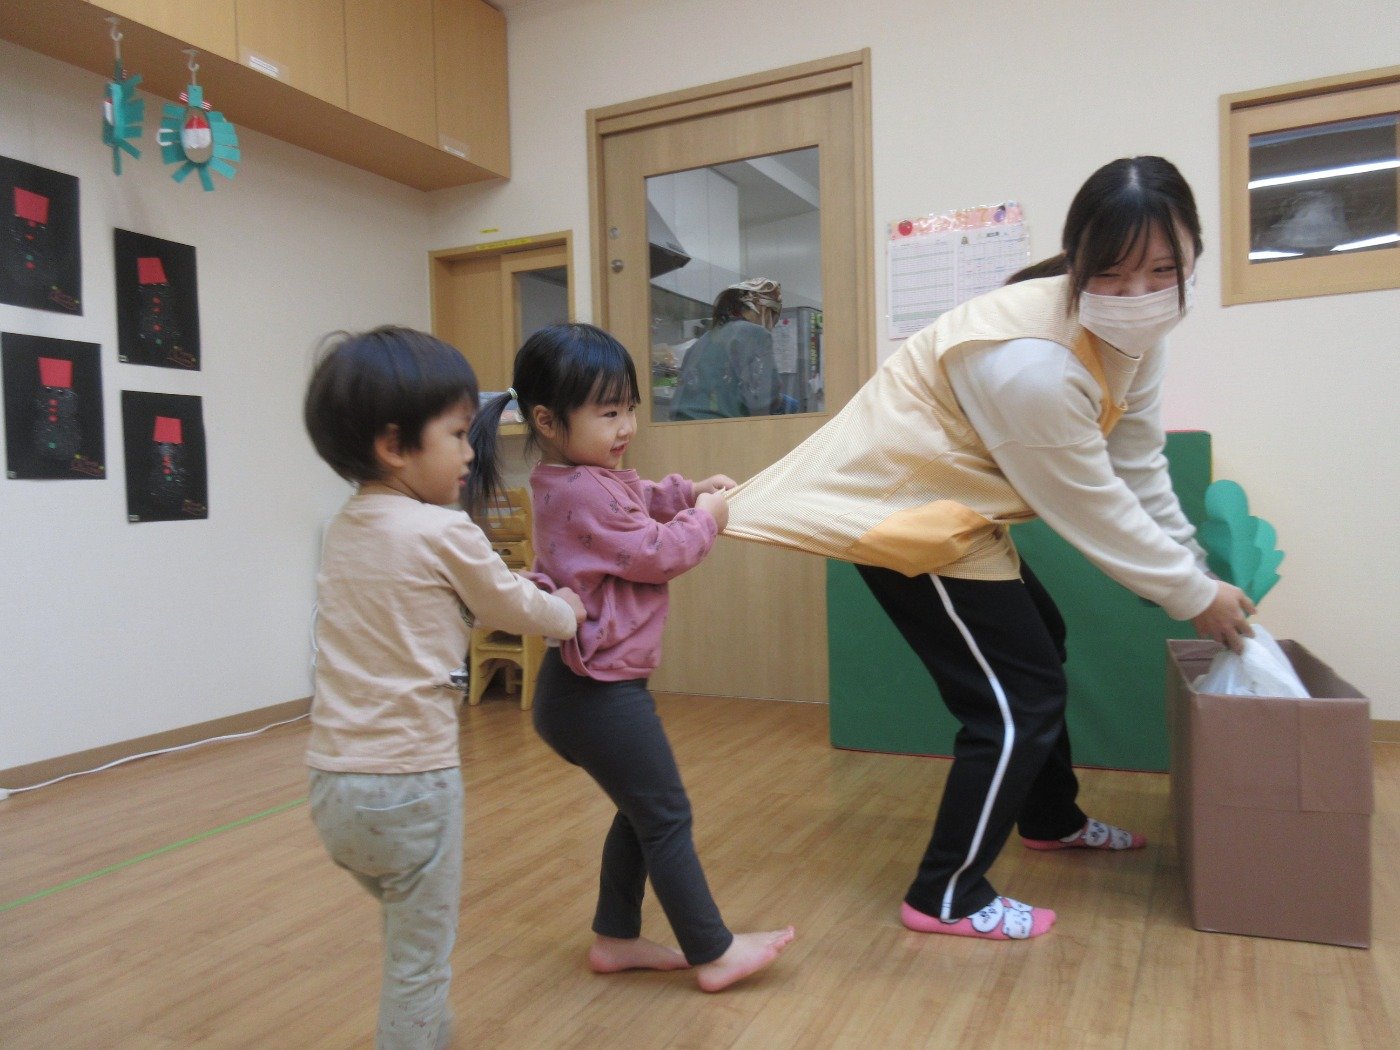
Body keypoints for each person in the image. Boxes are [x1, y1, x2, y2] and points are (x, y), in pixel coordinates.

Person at [723, 157, 1256, 941]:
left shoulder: (1139, 338)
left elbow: (1138, 461)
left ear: (1193, 259)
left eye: (1163, 271)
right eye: (1111, 273)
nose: (1138, 295)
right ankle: (947, 894)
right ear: (1077, 263)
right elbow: (1089, 504)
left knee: (1044, 644)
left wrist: (1193, 567)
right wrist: (1192, 593)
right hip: (903, 509)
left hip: (958, 508)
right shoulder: (1030, 363)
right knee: (1016, 701)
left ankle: (1050, 818)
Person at [467, 322, 796, 991]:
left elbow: (637, 499)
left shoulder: (581, 477)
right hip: (596, 696)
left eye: (630, 408)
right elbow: (656, 553)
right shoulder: (583, 490)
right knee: (666, 815)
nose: (626, 427)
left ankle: (616, 939)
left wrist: (685, 492)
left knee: (640, 809)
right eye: (608, 413)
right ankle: (713, 951)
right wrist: (705, 519)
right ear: (547, 421)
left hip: (588, 691)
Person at [301, 326, 586, 1048]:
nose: (469, 453)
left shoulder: (344, 529)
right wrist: (566, 611)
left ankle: (430, 1032)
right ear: (394, 445)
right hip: (412, 784)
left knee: (406, 925)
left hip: (333, 789)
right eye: (457, 435)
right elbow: (513, 607)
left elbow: (439, 601)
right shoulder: (441, 531)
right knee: (418, 962)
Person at [669, 277, 785, 420]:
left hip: (680, 428)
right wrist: (784, 403)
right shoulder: (755, 334)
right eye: (772, 317)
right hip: (723, 429)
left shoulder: (699, 344)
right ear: (763, 310)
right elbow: (764, 398)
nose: (771, 325)